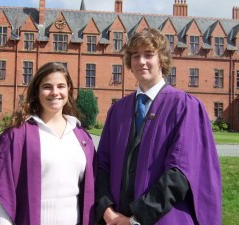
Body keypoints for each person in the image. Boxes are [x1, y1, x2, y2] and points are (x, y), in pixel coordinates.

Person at [95, 28, 221, 225]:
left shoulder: (184, 106)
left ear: (161, 59)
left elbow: (180, 173)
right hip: (116, 219)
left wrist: (136, 218)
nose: (141, 61)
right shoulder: (117, 111)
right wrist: (107, 209)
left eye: (148, 54)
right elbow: (102, 165)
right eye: (135, 56)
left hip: (163, 219)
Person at [0, 62, 96, 225]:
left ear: (69, 89)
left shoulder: (81, 137)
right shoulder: (17, 136)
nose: (55, 92)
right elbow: (1, 192)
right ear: (37, 90)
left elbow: (91, 192)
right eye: (47, 86)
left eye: (61, 86)